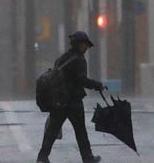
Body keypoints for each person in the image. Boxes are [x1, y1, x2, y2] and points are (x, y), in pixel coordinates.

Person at [37, 31, 106, 163]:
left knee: (52, 131)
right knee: (80, 131)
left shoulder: (63, 58)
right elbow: (81, 80)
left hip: (58, 101)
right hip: (73, 101)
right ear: (79, 45)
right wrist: (97, 85)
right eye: (84, 45)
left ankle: (42, 156)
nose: (86, 48)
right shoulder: (79, 60)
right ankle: (87, 157)